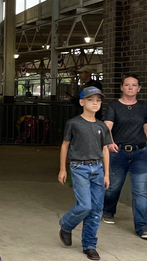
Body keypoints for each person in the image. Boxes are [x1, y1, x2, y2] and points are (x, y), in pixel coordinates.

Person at [58, 86, 110, 261]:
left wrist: (107, 173)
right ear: (81, 102)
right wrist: (63, 169)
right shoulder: (74, 123)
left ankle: (89, 245)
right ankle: (66, 225)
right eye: (90, 100)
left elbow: (105, 149)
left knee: (96, 210)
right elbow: (65, 145)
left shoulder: (102, 126)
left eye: (98, 100)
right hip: (79, 167)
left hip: (98, 168)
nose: (95, 103)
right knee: (85, 205)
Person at [101, 74, 147, 240]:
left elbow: (146, 127)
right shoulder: (114, 106)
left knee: (141, 191)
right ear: (121, 87)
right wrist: (109, 143)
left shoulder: (143, 107)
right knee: (113, 186)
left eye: (134, 85)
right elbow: (107, 127)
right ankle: (108, 211)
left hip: (140, 152)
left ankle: (142, 227)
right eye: (127, 85)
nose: (130, 88)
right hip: (118, 152)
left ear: (139, 88)